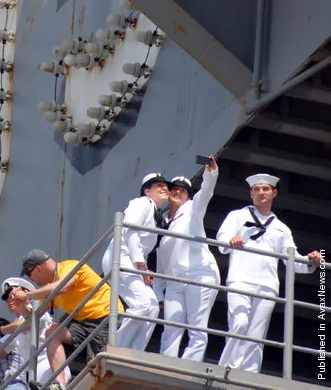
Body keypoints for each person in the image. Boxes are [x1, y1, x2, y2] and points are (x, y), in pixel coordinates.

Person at [217, 173, 321, 373]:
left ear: (274, 193)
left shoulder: (281, 228)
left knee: (257, 334)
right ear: (250, 194)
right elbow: (222, 240)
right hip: (241, 279)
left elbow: (292, 260)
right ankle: (228, 369)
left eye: (265, 189)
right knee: (239, 324)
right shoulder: (237, 216)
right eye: (256, 189)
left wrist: (311, 261)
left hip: (267, 285)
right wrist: (231, 241)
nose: (261, 193)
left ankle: (248, 375)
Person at [14, 250, 124, 390]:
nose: (33, 281)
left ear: (38, 269)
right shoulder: (48, 288)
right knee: (52, 332)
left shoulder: (69, 267)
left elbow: (62, 286)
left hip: (104, 318)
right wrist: (22, 306)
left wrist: (28, 296)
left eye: (30, 276)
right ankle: (59, 385)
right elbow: (33, 319)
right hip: (84, 323)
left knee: (99, 367)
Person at [155, 156, 220, 361]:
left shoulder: (193, 209)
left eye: (182, 190)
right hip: (175, 282)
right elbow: (161, 263)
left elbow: (206, 192)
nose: (177, 192)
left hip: (199, 275)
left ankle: (189, 369)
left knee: (196, 327)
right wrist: (158, 293)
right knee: (171, 329)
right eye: (174, 189)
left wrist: (211, 173)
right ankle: (166, 367)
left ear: (189, 197)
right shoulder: (164, 223)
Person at [101, 172, 170, 351]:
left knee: (152, 308)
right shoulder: (142, 203)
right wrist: (141, 265)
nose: (164, 188)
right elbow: (130, 229)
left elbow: (142, 244)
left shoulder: (156, 214)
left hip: (132, 261)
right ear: (147, 191)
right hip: (121, 257)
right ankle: (115, 348)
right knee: (142, 305)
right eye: (158, 186)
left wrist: (142, 266)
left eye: (165, 186)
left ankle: (134, 351)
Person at [0, 277, 70, 386]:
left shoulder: (37, 309)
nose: (9, 300)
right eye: (7, 298)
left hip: (50, 367)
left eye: (12, 295)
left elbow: (26, 323)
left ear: (24, 292)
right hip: (34, 373)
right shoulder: (15, 323)